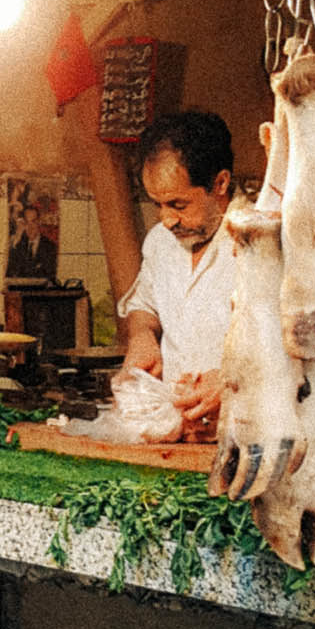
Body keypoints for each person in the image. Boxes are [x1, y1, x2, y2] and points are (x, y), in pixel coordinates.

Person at [116, 110, 236, 432]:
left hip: (245, 434)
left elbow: (298, 342)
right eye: (158, 205)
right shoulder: (160, 243)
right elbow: (144, 305)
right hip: (178, 435)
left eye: (178, 205)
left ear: (220, 183)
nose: (166, 220)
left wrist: (232, 380)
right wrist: (142, 336)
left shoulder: (260, 243)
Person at [6, 201, 58, 280]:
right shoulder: (18, 245)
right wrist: (17, 238)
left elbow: (50, 275)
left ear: (39, 222)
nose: (30, 227)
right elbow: (10, 271)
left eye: (33, 221)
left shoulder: (49, 246)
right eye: (27, 222)